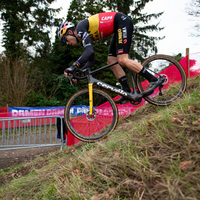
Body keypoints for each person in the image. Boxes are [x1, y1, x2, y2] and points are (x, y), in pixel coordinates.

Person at [57, 12, 163, 104]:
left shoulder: (80, 28)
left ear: (70, 32)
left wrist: (72, 67)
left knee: (122, 59)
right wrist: (80, 71)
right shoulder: (84, 36)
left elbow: (89, 51)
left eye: (64, 39)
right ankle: (127, 92)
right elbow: (91, 60)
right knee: (111, 61)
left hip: (122, 22)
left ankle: (153, 79)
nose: (66, 43)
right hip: (118, 27)